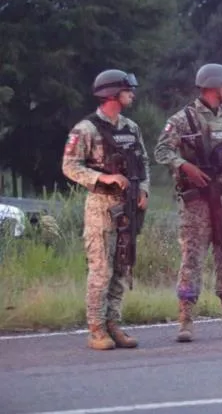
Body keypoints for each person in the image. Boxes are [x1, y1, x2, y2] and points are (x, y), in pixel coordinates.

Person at [153, 63, 222, 343]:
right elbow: (162, 150)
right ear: (213, 86)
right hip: (198, 201)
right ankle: (185, 322)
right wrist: (184, 166)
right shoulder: (183, 119)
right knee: (192, 260)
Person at [62, 69, 150, 350]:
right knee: (101, 270)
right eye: (127, 89)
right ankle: (96, 329)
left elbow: (143, 162)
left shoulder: (131, 128)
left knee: (122, 266)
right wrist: (103, 178)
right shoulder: (85, 129)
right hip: (101, 206)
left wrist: (144, 189)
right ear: (111, 93)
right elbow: (69, 166)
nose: (132, 93)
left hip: (128, 206)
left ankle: (114, 324)